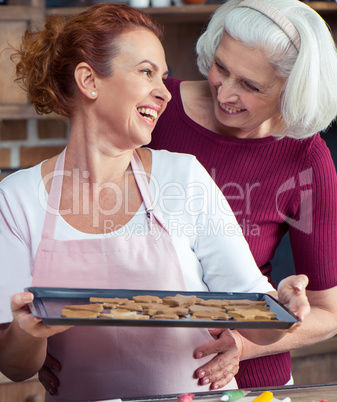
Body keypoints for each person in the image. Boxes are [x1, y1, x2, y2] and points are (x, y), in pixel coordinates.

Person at [0, 3, 310, 401]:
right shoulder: (17, 199)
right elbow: (15, 364)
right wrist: (27, 334)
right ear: (89, 80)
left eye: (163, 77)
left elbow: (251, 313)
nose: (165, 92)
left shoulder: (182, 177)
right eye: (146, 72)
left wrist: (282, 309)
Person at [146, 0, 337, 390]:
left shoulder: (306, 158)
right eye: (221, 67)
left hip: (250, 384)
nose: (225, 93)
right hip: (142, 374)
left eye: (251, 86)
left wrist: (243, 343)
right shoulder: (156, 108)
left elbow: (329, 311)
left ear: (293, 90)